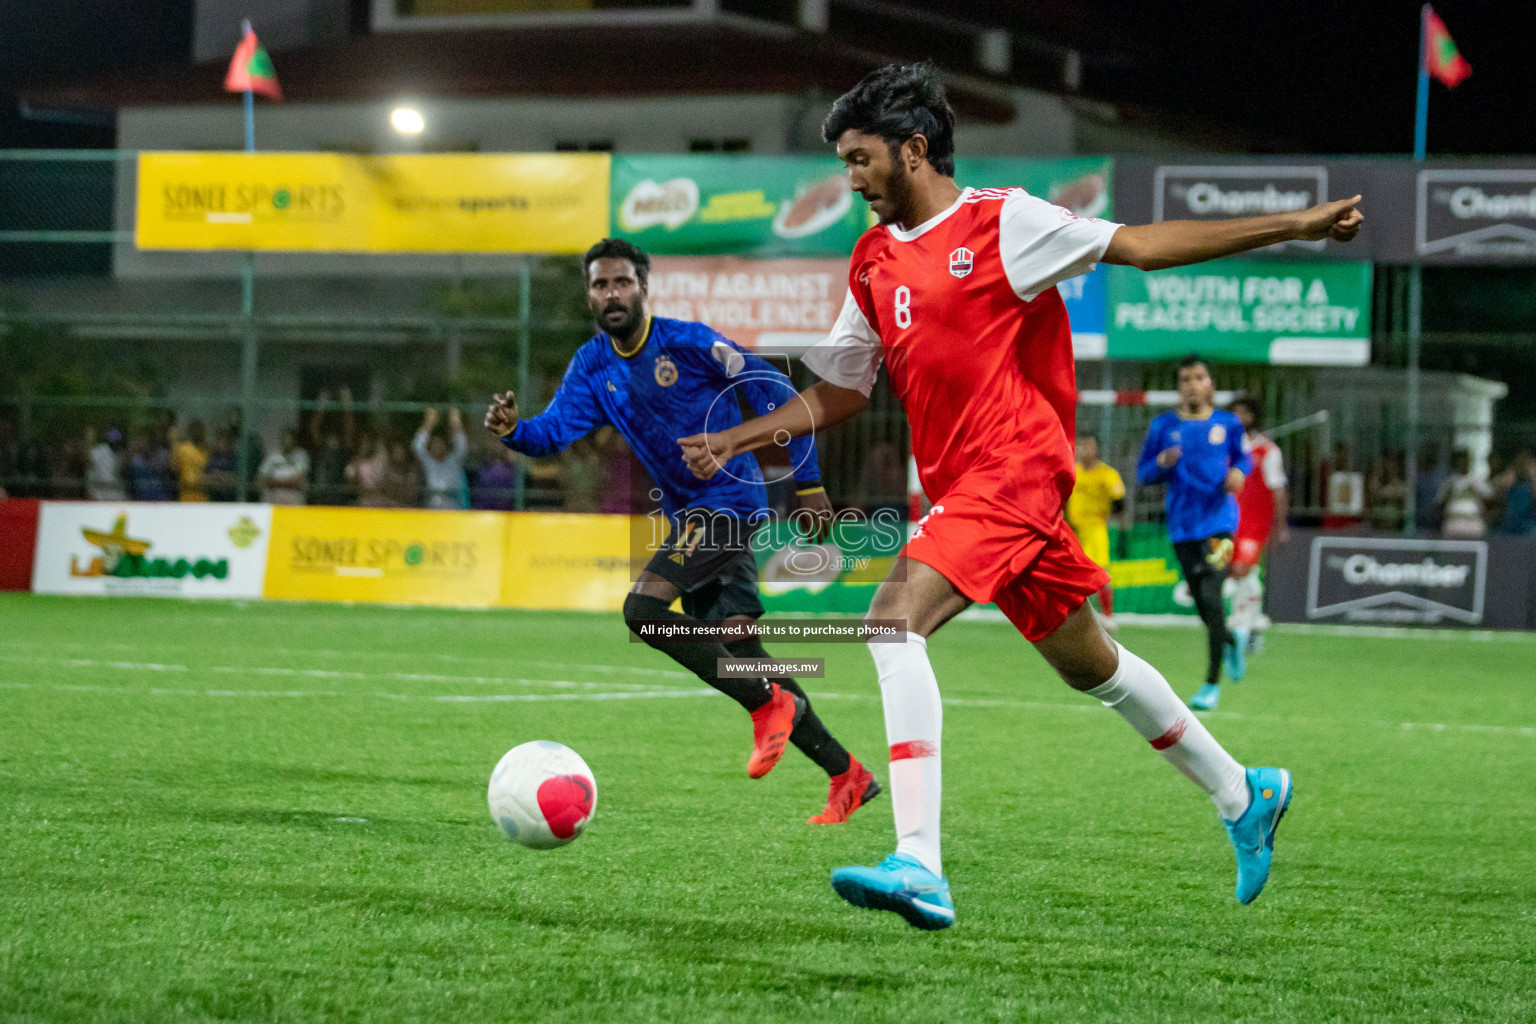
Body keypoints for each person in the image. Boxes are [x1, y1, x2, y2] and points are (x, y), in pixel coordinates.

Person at [679, 63, 1361, 928]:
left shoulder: (1007, 222)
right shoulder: (873, 260)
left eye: (860, 159)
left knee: (890, 624)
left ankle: (919, 860)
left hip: (1019, 471)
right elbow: (842, 391)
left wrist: (1298, 223)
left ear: (913, 150)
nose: (850, 178)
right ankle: (1243, 792)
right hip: (972, 488)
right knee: (1094, 666)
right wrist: (739, 438)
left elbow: (1145, 248)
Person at [486, 237, 878, 825]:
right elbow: (553, 433)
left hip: (728, 504)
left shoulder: (691, 344)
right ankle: (848, 773)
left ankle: (767, 705)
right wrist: (515, 430)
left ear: (645, 287)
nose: (612, 294)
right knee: (744, 653)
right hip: (691, 514)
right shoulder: (592, 365)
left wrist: (809, 484)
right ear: (589, 296)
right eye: (600, 285)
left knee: (642, 611)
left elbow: (773, 392)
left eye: (622, 282)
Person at [1138, 358, 1250, 711]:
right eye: (1185, 379)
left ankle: (1211, 685)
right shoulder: (1163, 427)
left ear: (1210, 385)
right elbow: (1143, 474)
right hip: (1182, 527)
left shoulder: (1228, 424)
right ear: (1178, 387)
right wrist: (1160, 464)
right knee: (1203, 604)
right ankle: (1231, 640)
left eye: (1198, 378)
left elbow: (1243, 460)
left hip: (1220, 524)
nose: (1192, 384)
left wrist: (1238, 473)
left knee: (1213, 595)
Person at [1226, 397, 1290, 669]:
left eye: (1242, 413)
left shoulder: (1268, 451)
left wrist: (1281, 525)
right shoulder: (1226, 448)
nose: (1237, 418)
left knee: (1244, 569)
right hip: (1228, 521)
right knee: (1233, 573)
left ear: (1253, 416)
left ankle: (1247, 629)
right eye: (1234, 413)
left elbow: (1278, 491)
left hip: (1255, 523)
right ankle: (1246, 627)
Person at [1065, 432, 1124, 631]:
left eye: (1089, 446)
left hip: (1096, 528)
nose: (1085, 450)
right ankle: (1069, 614)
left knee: (1100, 573)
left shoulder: (1107, 474)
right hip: (1071, 529)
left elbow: (1120, 503)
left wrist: (1122, 531)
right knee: (1069, 573)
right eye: (1081, 446)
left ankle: (1108, 615)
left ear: (1096, 448)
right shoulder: (1072, 470)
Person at [413, 408, 469, 510]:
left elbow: (462, 444)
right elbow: (417, 446)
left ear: (445, 445)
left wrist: (456, 423)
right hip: (432, 506)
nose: (437, 447)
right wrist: (428, 423)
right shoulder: (429, 462)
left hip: (452, 506)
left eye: (440, 444)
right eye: (434, 444)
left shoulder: (455, 460)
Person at [1437, 450, 1491, 538]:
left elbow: (1491, 500)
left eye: (1466, 461)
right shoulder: (1448, 483)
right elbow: (1439, 504)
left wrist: (1474, 493)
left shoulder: (1476, 481)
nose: (1463, 464)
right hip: (1453, 523)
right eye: (1460, 461)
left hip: (1473, 523)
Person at [259, 429, 310, 505]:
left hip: (293, 493)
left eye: (290, 439)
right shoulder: (273, 455)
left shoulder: (301, 455)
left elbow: (299, 480)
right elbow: (263, 477)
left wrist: (276, 483)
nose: (287, 442)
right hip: (274, 493)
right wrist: (284, 483)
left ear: (294, 441)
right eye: (285, 439)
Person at [170, 420, 210, 502]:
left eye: (199, 429)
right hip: (186, 495)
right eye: (194, 429)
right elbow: (174, 467)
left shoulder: (206, 451)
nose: (196, 432)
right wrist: (173, 441)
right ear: (190, 431)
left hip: (202, 496)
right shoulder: (183, 448)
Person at [86, 428, 127, 502]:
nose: (116, 444)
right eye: (113, 441)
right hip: (99, 491)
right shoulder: (98, 451)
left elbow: (121, 474)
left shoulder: (121, 454)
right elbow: (90, 470)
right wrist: (91, 490)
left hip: (115, 491)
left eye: (117, 442)